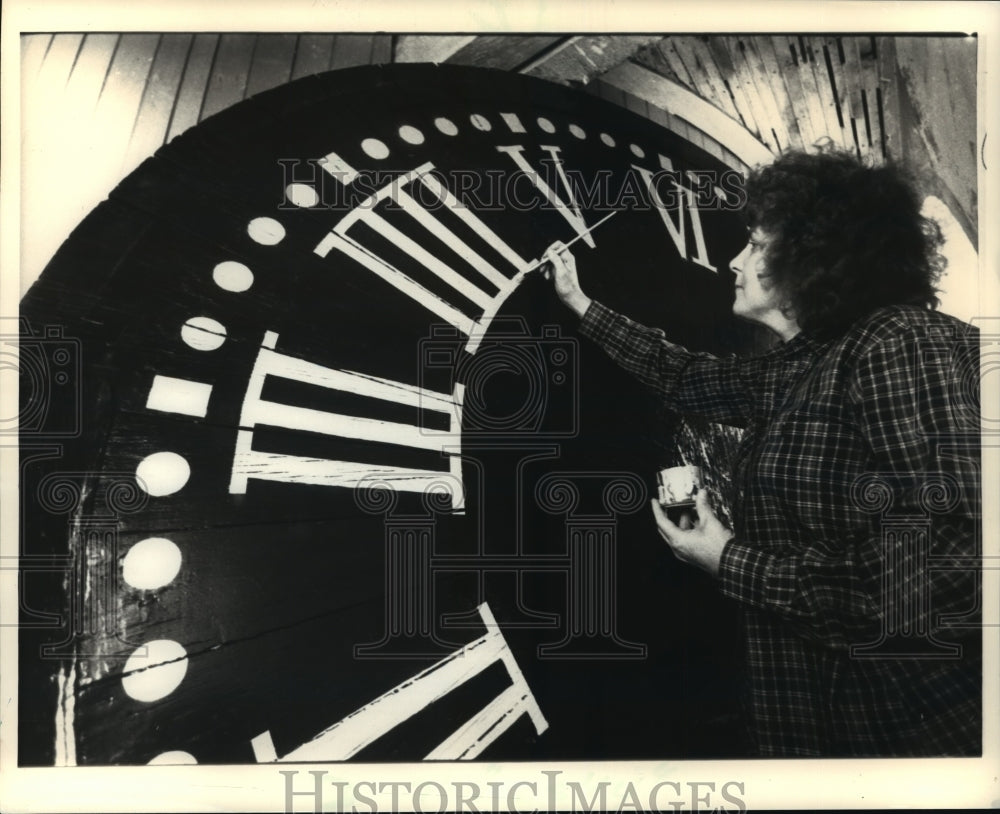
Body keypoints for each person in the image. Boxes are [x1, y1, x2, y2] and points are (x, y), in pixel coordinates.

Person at [540, 148, 981, 757]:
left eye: (752, 244)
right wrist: (580, 305)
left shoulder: (898, 342)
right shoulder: (812, 363)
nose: (733, 260)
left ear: (813, 256)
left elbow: (944, 576)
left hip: (912, 735)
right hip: (828, 734)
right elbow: (689, 377)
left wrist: (729, 560)